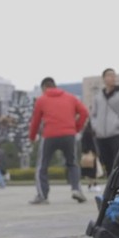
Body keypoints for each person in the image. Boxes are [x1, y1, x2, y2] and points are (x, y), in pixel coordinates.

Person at [28, 77, 90, 205]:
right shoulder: (71, 97)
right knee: (72, 163)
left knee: (42, 166)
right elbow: (84, 112)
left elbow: (35, 121)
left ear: (44, 88)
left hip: (49, 135)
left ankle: (42, 195)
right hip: (69, 135)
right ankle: (76, 189)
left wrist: (32, 137)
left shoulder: (41, 99)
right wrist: (76, 128)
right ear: (55, 86)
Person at [89, 68, 119, 177]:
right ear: (104, 78)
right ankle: (111, 187)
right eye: (109, 75)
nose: (112, 77)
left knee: (118, 161)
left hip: (116, 134)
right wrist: (95, 127)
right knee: (106, 162)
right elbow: (93, 114)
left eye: (114, 75)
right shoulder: (98, 96)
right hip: (101, 136)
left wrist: (117, 124)